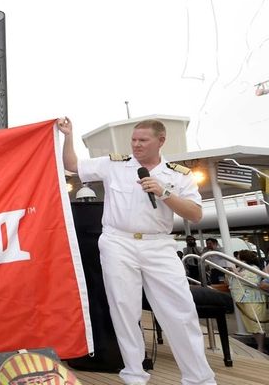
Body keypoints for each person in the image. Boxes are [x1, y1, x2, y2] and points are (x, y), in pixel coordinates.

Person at [58, 117, 216, 385]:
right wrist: (68, 136)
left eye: (143, 140)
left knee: (180, 310)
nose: (136, 145)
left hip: (159, 244)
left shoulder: (178, 175)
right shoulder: (114, 164)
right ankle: (134, 374)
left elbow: (196, 214)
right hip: (118, 241)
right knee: (124, 309)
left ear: (160, 141)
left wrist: (165, 192)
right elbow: (72, 166)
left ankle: (199, 379)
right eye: (133, 140)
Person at [228, 250, 268, 354]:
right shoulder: (241, 268)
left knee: (256, 324)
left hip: (253, 299)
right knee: (250, 324)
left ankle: (261, 347)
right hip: (242, 299)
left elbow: (253, 281)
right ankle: (259, 346)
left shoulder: (253, 268)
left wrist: (235, 272)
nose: (236, 259)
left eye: (238, 257)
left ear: (244, 259)